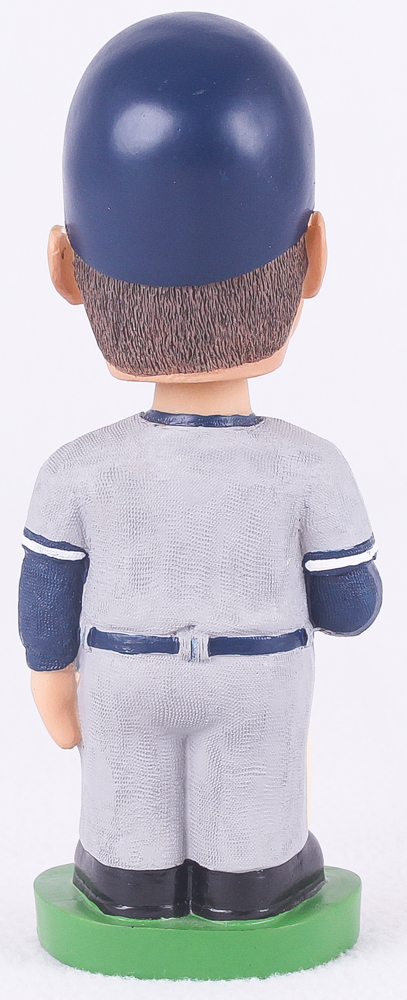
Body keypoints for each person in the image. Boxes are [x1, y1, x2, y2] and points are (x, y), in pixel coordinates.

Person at [19, 12, 381, 923]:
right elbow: (350, 608)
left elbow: (46, 604)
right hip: (256, 676)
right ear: (313, 259)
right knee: (254, 833)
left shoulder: (72, 472)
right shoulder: (311, 466)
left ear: (65, 269)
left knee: (126, 821)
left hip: (124, 670)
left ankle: (128, 883)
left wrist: (51, 683)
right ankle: (246, 883)